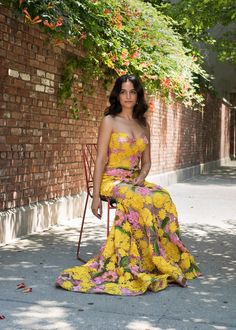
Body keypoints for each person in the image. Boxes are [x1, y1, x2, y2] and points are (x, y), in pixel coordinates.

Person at [55, 74, 201, 295]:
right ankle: (132, 259)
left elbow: (148, 161)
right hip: (111, 180)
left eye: (132, 91)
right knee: (139, 198)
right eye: (123, 91)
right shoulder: (110, 121)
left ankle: (158, 258)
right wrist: (95, 195)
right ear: (117, 94)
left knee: (162, 197)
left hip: (134, 180)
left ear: (138, 95)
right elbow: (101, 159)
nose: (128, 96)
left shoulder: (143, 123)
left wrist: (142, 177)